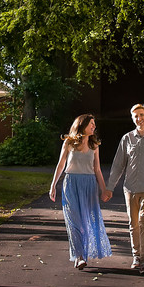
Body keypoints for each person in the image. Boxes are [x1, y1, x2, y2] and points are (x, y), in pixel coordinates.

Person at [102, 104, 144, 274]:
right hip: (130, 189)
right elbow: (118, 165)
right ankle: (136, 256)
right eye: (135, 116)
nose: (139, 119)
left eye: (141, 115)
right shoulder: (127, 139)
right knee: (134, 224)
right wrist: (110, 187)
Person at [49, 114, 112, 269]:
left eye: (94, 124)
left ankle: (82, 254)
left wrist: (104, 189)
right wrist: (53, 185)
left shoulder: (94, 145)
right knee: (74, 221)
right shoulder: (69, 143)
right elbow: (60, 165)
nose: (94, 126)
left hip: (89, 185)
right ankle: (79, 256)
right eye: (91, 123)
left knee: (86, 222)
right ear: (82, 124)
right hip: (71, 183)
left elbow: (97, 169)